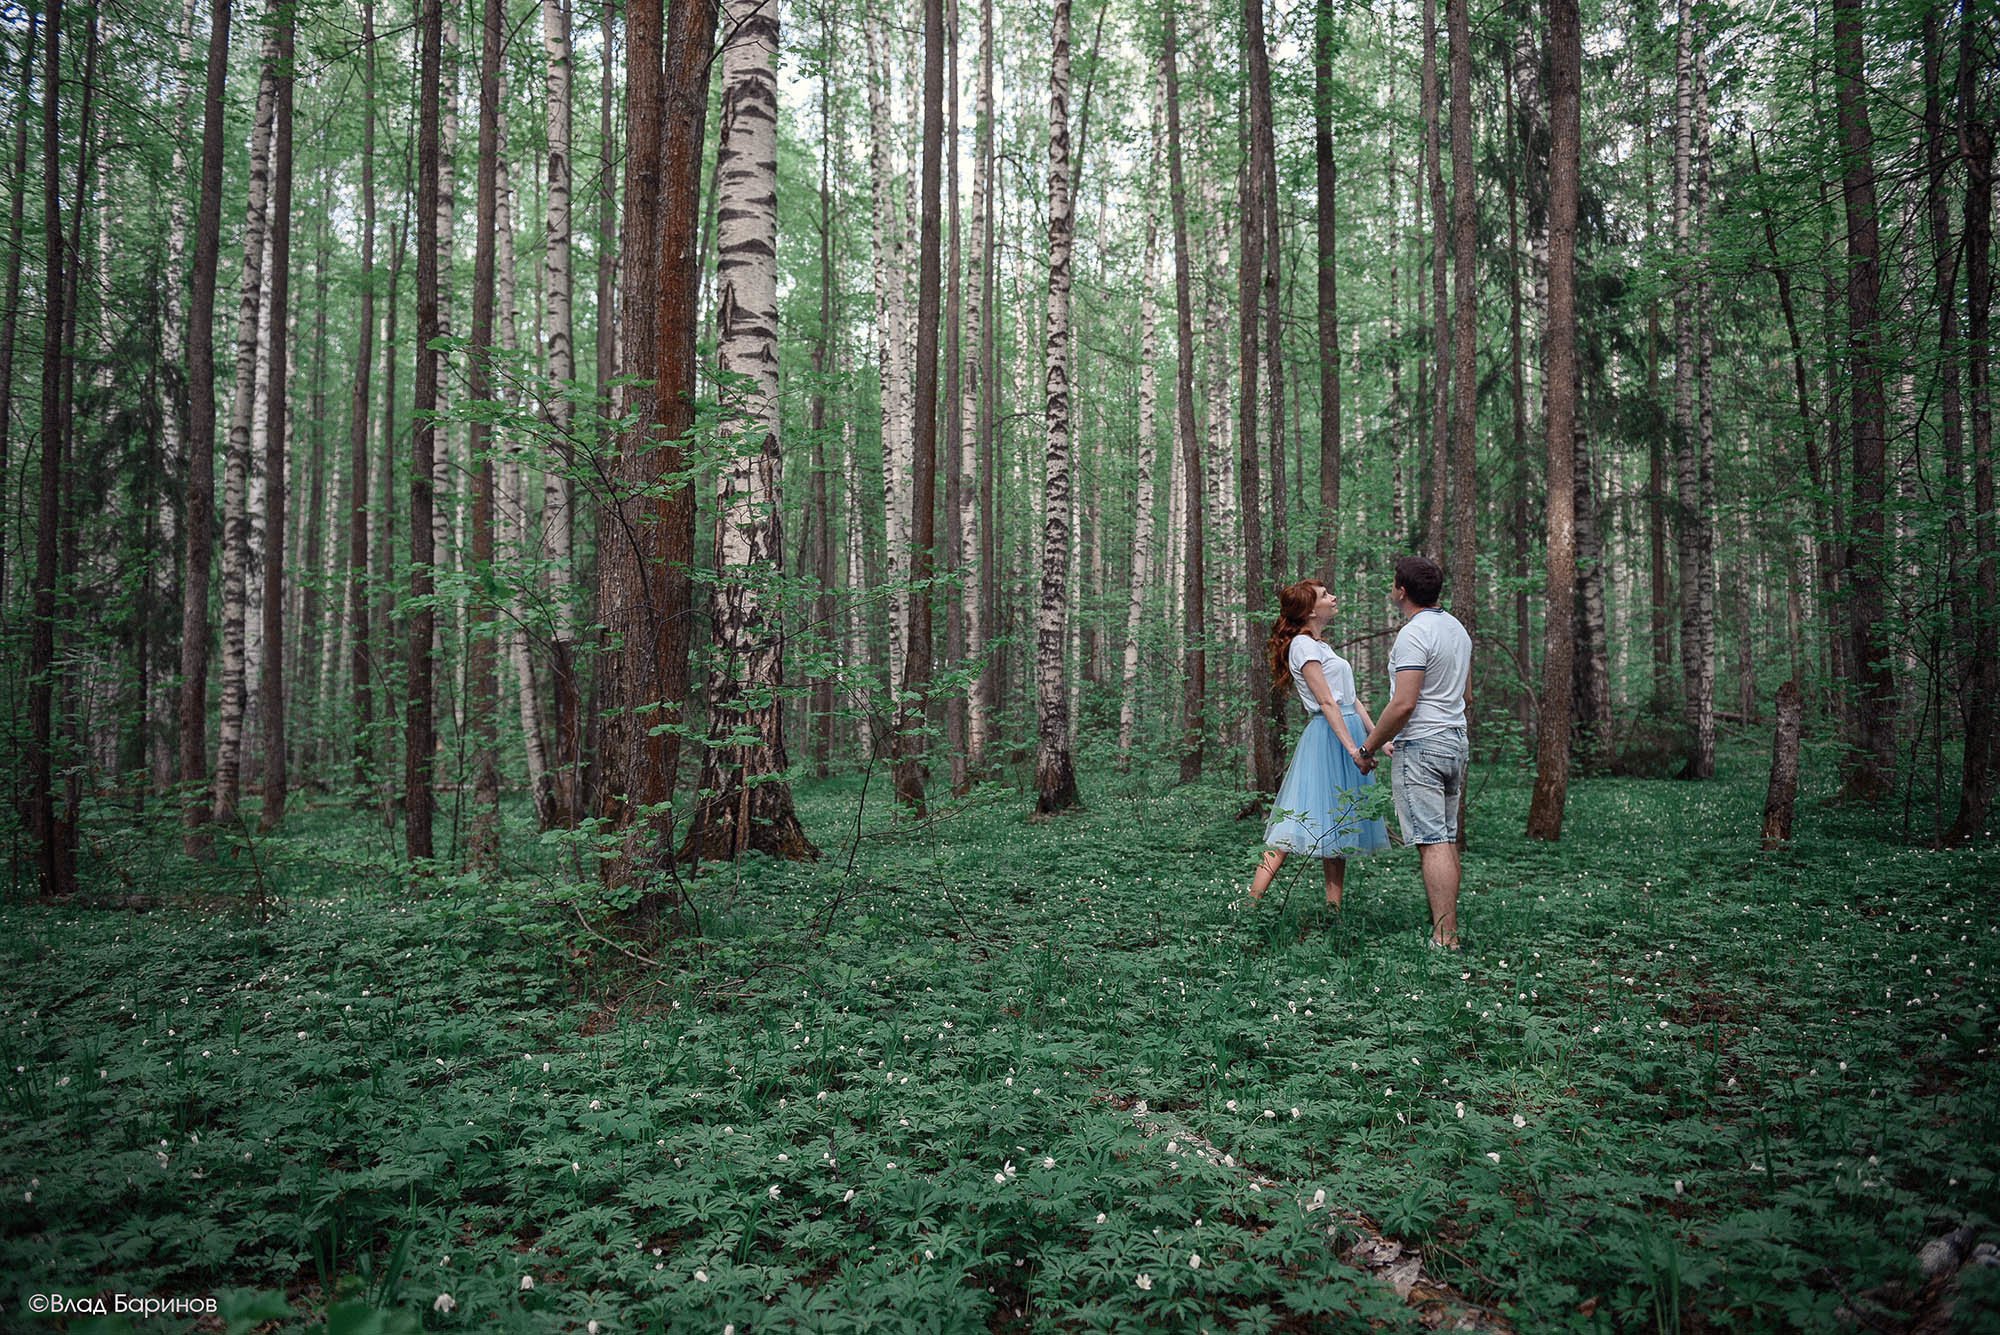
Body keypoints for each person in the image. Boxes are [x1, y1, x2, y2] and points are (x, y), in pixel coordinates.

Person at [1246, 578, 1391, 909]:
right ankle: (1252, 904)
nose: (1334, 597)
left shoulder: (1321, 646)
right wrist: (1353, 750)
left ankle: (1333, 910)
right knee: (1292, 821)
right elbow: (1327, 703)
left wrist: (1378, 739)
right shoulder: (1302, 646)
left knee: (1339, 823)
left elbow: (1351, 699)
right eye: (1326, 595)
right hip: (1328, 737)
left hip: (1347, 732)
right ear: (1310, 610)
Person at [1355, 556, 1472, 949]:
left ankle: (1445, 938)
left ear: (1401, 591)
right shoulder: (1457, 630)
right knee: (1446, 838)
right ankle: (1448, 929)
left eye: (1393, 583)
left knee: (1433, 841)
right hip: (1454, 740)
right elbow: (1466, 695)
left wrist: (1368, 746)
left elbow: (1404, 704)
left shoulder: (1414, 633)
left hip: (1423, 744)